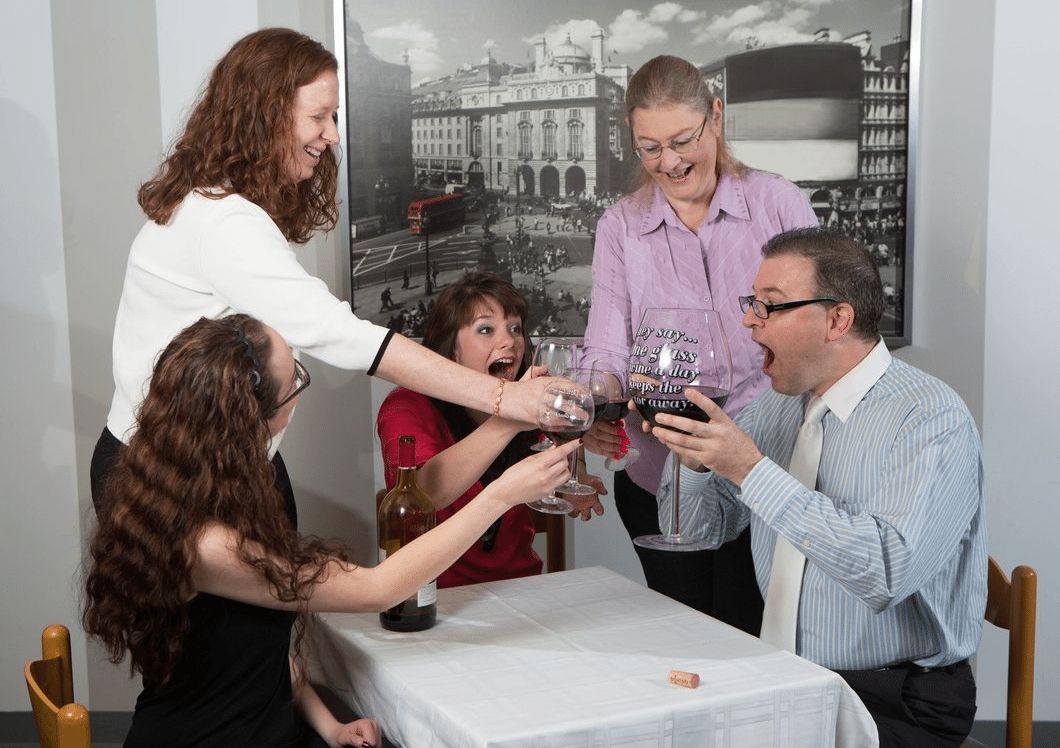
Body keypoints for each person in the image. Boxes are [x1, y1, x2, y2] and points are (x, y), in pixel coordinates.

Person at [90, 28, 553, 513]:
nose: (332, 135)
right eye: (319, 117)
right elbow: (339, 334)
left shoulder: (217, 203)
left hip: (212, 460)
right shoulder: (223, 220)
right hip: (175, 476)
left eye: (333, 116)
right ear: (264, 116)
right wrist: (505, 398)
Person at [83, 314, 578, 747]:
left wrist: (326, 723)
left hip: (269, 728)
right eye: (295, 378)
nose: (300, 386)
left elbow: (252, 648)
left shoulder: (212, 486)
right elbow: (375, 589)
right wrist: (500, 495)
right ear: (255, 417)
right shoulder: (205, 545)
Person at [651, 228, 985, 747]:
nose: (748, 321)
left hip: (895, 697)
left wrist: (751, 470)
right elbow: (702, 530)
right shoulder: (780, 404)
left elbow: (886, 572)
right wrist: (694, 461)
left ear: (838, 319)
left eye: (771, 306)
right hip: (782, 673)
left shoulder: (928, 417)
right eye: (752, 303)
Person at [581, 54, 817, 632]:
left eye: (683, 139)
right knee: (685, 639)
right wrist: (595, 403)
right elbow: (607, 348)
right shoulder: (620, 226)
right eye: (650, 148)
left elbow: (817, 333)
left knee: (757, 637)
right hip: (658, 470)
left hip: (765, 466)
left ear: (716, 116)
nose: (671, 162)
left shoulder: (777, 204)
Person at [376, 272, 604, 587]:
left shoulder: (535, 401)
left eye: (515, 328)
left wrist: (572, 480)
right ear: (451, 349)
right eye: (486, 329)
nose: (509, 340)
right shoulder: (406, 407)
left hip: (520, 589)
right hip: (432, 595)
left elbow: (562, 460)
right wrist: (510, 415)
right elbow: (424, 494)